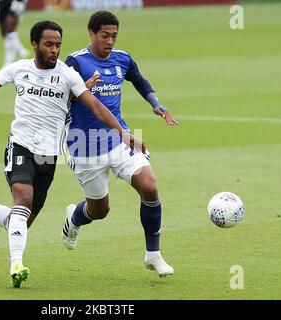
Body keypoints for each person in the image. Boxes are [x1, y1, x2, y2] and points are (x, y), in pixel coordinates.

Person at [0, 20, 145, 288]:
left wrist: (123, 133)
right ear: (35, 44)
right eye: (49, 44)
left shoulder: (68, 75)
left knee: (18, 220)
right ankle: (17, 266)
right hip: (20, 146)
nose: (55, 49)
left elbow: (96, 106)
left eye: (58, 44)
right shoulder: (20, 68)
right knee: (23, 199)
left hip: (48, 156)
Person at [61, 11, 179, 278]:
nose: (110, 41)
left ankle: (153, 254)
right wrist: (78, 92)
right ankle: (74, 218)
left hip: (120, 138)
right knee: (99, 211)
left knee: (149, 187)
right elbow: (59, 100)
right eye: (105, 35)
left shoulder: (122, 58)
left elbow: (138, 79)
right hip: (86, 146)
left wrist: (155, 103)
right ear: (91, 33)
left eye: (114, 35)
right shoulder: (75, 62)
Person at [0, 0, 29, 67]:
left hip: (17, 1)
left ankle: (9, 61)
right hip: (1, 2)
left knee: (10, 27)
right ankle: (20, 50)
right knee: (4, 31)